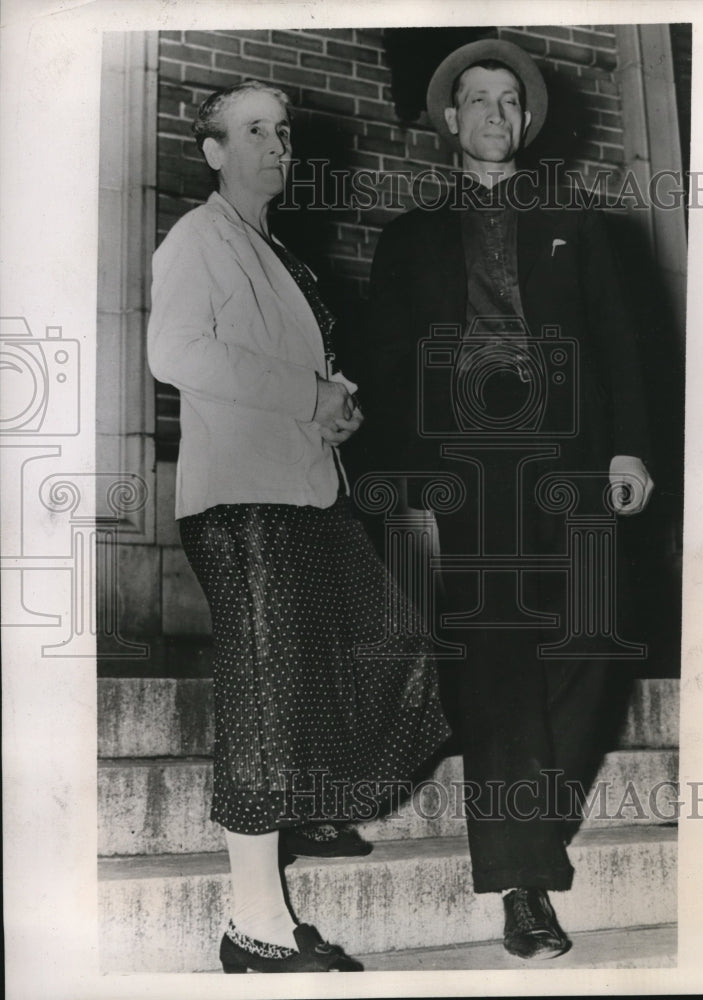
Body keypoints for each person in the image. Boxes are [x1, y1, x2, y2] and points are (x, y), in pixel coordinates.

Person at [147, 80, 450, 974]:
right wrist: (305, 395)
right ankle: (254, 926)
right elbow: (175, 351)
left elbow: (287, 368)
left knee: (395, 646)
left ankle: (314, 798)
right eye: (251, 132)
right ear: (211, 151)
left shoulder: (274, 249)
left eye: (281, 131)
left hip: (305, 491)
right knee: (264, 702)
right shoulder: (197, 237)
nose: (276, 145)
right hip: (243, 505)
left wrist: (333, 409)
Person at [362, 39, 654, 960]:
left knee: (585, 647)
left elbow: (619, 345)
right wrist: (403, 484)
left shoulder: (580, 222)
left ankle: (534, 824)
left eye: (507, 103)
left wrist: (630, 449)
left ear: (524, 122)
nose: (492, 116)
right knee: (495, 666)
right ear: (449, 119)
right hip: (467, 465)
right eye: (474, 101)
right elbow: (387, 365)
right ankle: (521, 878)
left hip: (570, 452)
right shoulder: (408, 237)